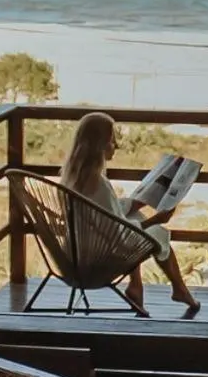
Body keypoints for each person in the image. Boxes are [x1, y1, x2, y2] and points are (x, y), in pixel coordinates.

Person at [59, 111, 200, 315]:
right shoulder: (99, 183)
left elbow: (104, 212)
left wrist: (137, 203)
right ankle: (179, 289)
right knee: (158, 232)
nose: (115, 145)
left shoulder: (73, 177)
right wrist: (156, 219)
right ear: (99, 144)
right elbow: (120, 235)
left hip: (74, 254)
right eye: (111, 140)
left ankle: (137, 286)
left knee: (134, 217)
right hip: (96, 262)